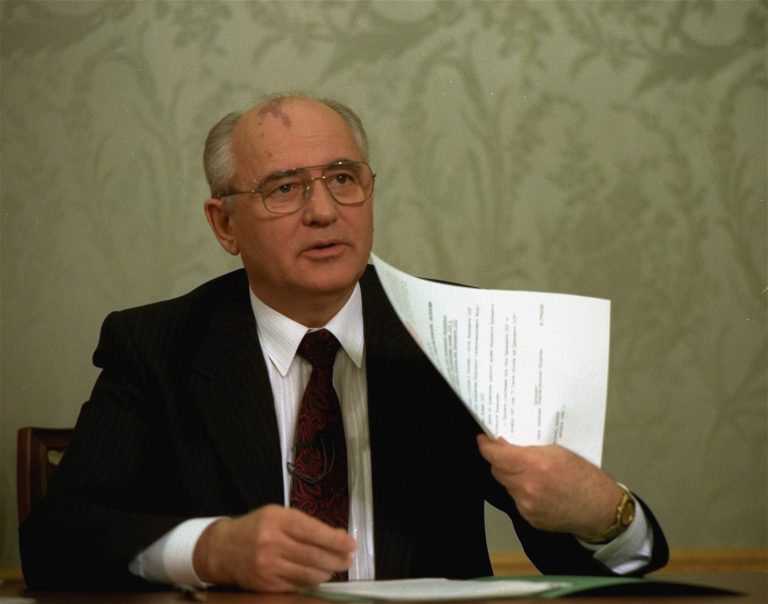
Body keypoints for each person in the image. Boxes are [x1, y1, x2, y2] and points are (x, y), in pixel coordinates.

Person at [19, 93, 668, 593]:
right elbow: (57, 540)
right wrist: (212, 549)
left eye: (342, 178)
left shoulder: (457, 331)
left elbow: (582, 564)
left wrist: (605, 516)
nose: (324, 211)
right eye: (283, 188)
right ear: (224, 225)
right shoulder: (158, 345)